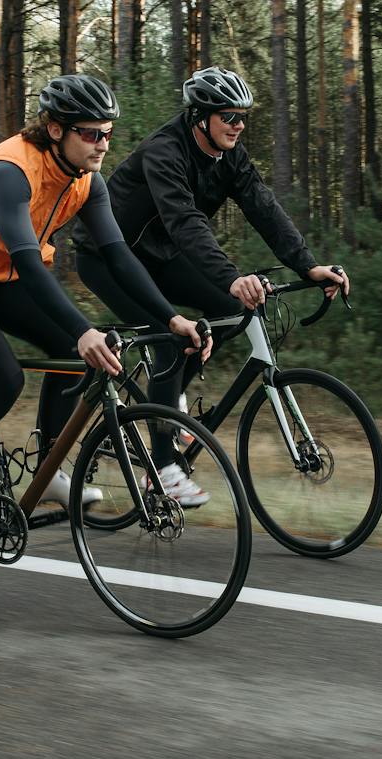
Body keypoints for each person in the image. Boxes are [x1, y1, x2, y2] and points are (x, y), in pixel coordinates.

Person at [0, 73, 209, 513]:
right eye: (90, 133)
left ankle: (47, 470)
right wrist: (84, 330)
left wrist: (170, 318)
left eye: (107, 133)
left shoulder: (86, 178)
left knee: (73, 354)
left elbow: (119, 256)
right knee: (4, 381)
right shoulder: (11, 172)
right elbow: (29, 263)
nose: (102, 143)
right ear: (56, 129)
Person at [72, 66, 349, 503]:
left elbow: (263, 206)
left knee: (230, 310)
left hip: (159, 255)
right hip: (108, 258)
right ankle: (161, 469)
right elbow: (185, 223)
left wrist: (307, 267)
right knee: (169, 340)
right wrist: (232, 276)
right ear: (201, 116)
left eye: (243, 118)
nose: (239, 126)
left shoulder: (229, 155)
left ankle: (168, 401)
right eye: (230, 117)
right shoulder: (165, 151)